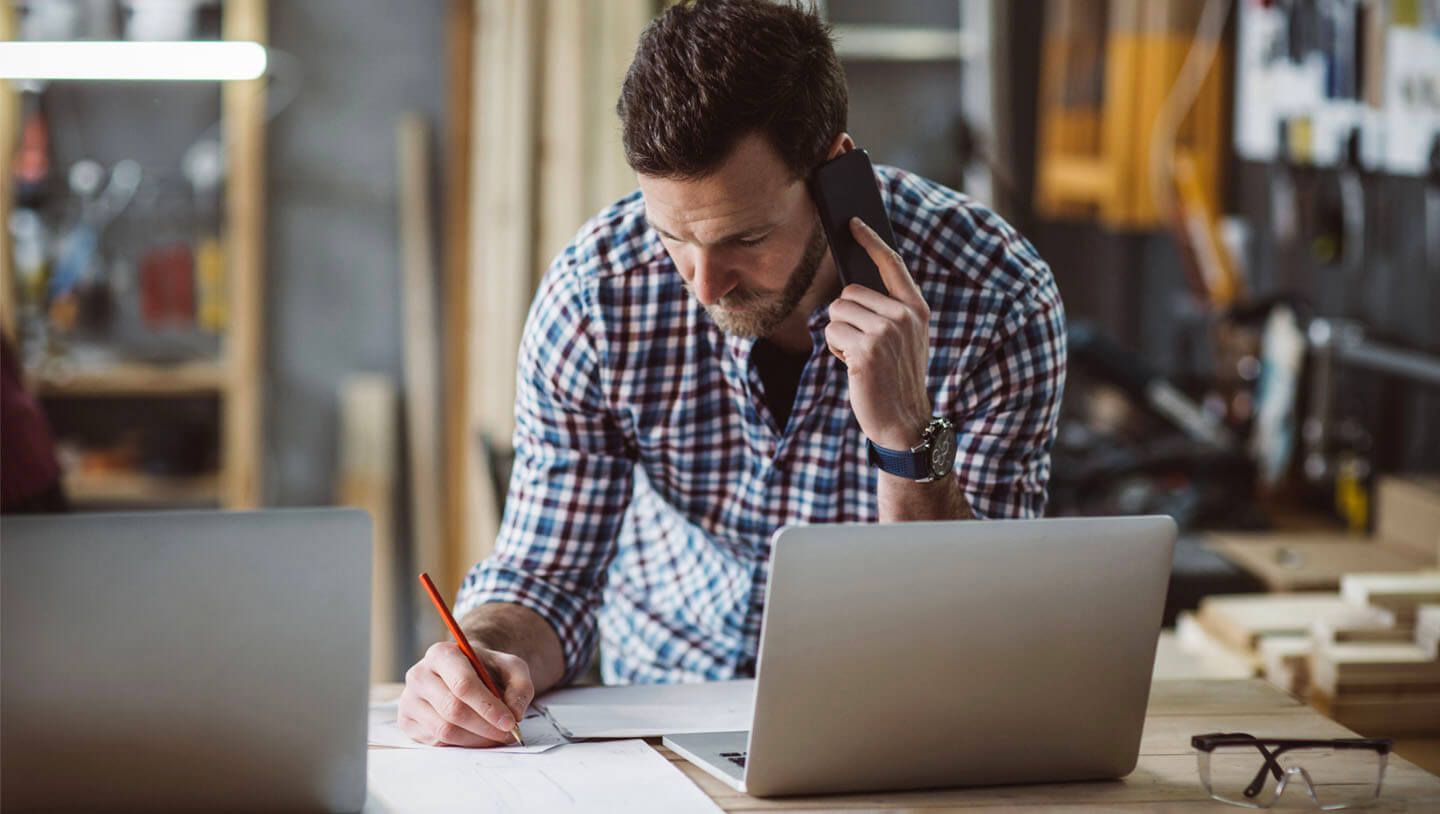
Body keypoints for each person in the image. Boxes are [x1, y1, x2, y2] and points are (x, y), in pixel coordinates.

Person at [399, 0, 1066, 748]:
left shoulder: (995, 296)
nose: (705, 284)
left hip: (882, 723)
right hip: (653, 718)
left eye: (744, 238)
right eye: (673, 236)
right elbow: (547, 576)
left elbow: (980, 635)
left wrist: (909, 438)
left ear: (834, 172)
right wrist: (484, 655)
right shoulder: (598, 292)